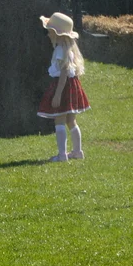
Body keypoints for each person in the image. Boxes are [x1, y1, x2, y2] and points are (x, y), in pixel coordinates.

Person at [36, 12, 90, 162]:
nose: (48, 35)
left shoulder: (60, 50)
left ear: (57, 34)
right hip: (71, 86)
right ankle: (77, 151)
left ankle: (62, 155)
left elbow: (64, 72)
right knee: (71, 120)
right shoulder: (69, 50)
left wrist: (58, 94)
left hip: (63, 86)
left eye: (49, 31)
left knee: (59, 120)